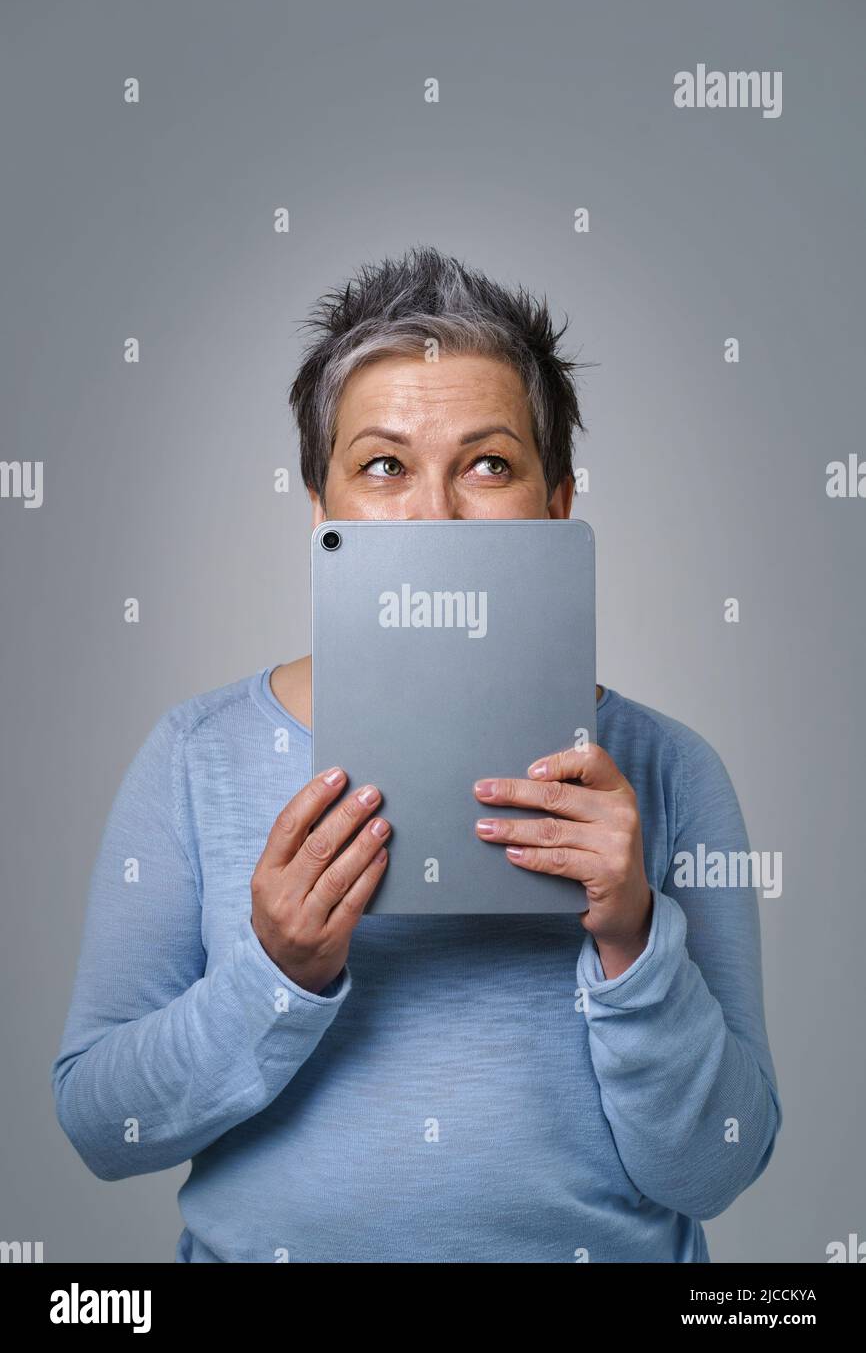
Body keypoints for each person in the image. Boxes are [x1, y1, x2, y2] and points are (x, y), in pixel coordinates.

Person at [51, 246, 782, 1263]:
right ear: (322, 510)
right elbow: (99, 1124)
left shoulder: (666, 771)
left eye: (487, 463)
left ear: (555, 505)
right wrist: (275, 976)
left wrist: (633, 939)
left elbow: (717, 1167)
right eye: (382, 465)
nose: (434, 514)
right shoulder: (195, 755)